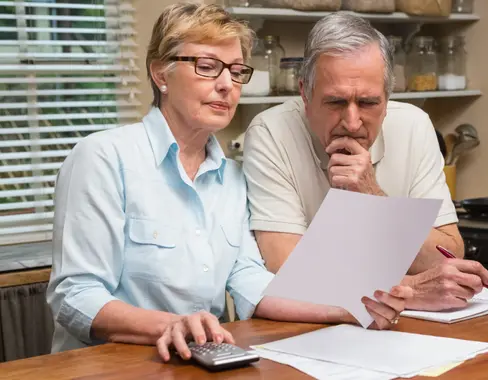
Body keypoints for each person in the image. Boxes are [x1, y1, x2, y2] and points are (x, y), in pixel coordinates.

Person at [46, 3, 411, 362]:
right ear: (160, 74)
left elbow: (250, 280)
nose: (226, 85)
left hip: (203, 362)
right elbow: (75, 296)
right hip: (110, 368)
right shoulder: (103, 158)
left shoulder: (232, 178)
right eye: (207, 67)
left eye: (237, 72)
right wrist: (171, 325)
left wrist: (350, 308)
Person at [243, 12, 488, 312]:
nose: (351, 122)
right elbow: (285, 269)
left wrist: (372, 196)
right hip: (310, 330)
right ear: (304, 95)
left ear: (387, 98)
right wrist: (408, 289)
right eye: (335, 102)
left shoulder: (414, 125)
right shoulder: (270, 132)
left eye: (368, 103)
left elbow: (447, 256)